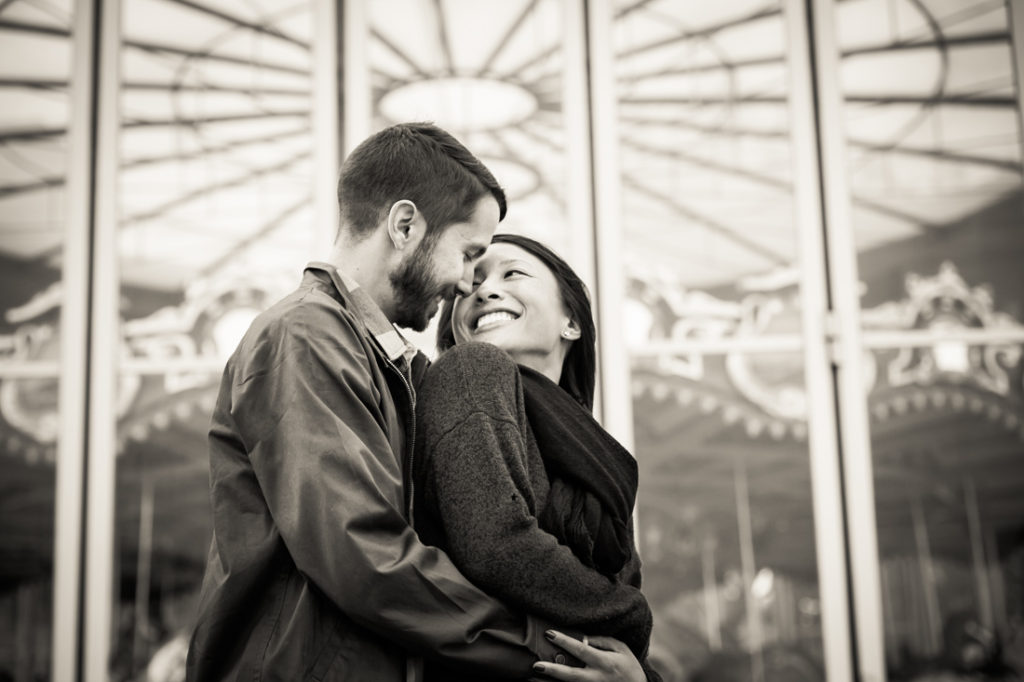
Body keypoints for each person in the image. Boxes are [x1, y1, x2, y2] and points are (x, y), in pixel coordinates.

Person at [185, 123, 601, 681]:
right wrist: (552, 655)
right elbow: (366, 556)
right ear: (405, 225)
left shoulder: (390, 365)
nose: (465, 284)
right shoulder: (304, 335)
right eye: (468, 254)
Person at [414, 233, 662, 681]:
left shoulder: (595, 459)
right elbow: (496, 544)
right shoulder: (470, 370)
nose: (484, 289)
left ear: (571, 320)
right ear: (454, 330)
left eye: (513, 273)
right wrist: (633, 617)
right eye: (470, 285)